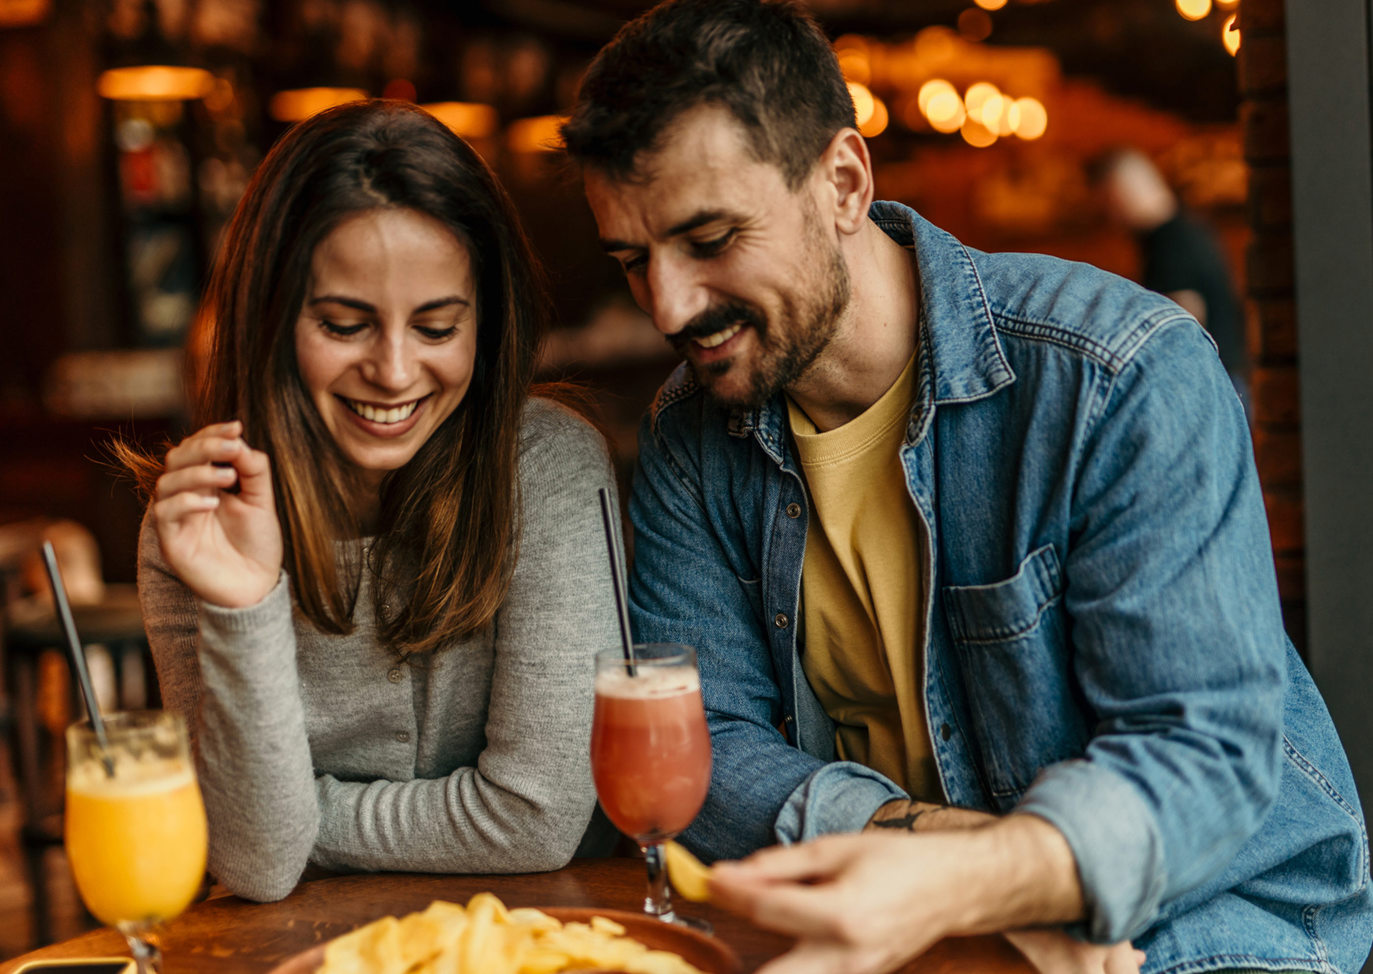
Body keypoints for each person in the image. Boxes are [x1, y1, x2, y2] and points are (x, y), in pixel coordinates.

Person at [560, 3, 1372, 973]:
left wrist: (979, 878)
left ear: (843, 182)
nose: (667, 305)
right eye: (633, 261)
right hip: (931, 927)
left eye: (709, 239)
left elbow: (1198, 761)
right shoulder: (689, 430)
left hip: (1215, 928)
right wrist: (936, 852)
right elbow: (708, 748)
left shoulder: (1118, 375)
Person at [124, 100, 621, 902]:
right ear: (271, 317)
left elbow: (535, 817)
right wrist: (244, 605)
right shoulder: (196, 526)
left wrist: (305, 816)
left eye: (435, 328)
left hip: (548, 932)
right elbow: (256, 865)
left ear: (485, 327)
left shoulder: (548, 467)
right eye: (345, 324)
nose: (393, 372)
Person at [1091, 147, 1250, 408]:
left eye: (1106, 202)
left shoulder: (1170, 241)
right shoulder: (1185, 228)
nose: (1109, 217)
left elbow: (1180, 325)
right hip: (1222, 380)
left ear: (1117, 191)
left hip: (1208, 388)